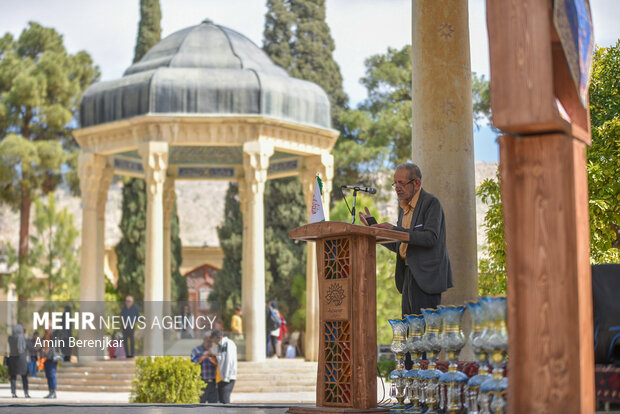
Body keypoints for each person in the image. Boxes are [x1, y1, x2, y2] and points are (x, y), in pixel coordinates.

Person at [360, 163, 453, 315]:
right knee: (409, 331)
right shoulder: (404, 209)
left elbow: (431, 237)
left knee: (424, 333)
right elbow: (399, 244)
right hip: (408, 275)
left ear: (416, 183)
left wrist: (394, 230)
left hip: (426, 277)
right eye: (395, 183)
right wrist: (375, 230)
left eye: (401, 183)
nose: (397, 187)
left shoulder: (431, 203)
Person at [211, 329, 237, 404]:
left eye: (214, 339)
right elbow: (221, 360)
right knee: (222, 402)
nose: (213, 341)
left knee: (225, 401)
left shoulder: (228, 343)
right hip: (221, 379)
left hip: (227, 378)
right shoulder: (221, 345)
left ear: (218, 337)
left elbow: (229, 360)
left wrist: (226, 377)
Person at [191, 333, 218, 403]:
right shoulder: (196, 350)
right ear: (204, 340)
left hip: (214, 383)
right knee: (201, 404)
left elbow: (221, 363)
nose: (209, 343)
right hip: (202, 382)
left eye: (211, 341)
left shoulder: (215, 350)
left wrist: (214, 355)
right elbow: (192, 363)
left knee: (214, 406)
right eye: (208, 341)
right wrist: (203, 355)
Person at [8, 324, 29, 398]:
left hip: (12, 358)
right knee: (24, 376)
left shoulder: (10, 337)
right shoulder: (21, 337)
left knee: (13, 377)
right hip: (21, 359)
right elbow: (20, 349)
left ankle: (13, 393)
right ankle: (26, 393)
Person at [42, 330, 62, 399]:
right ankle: (50, 391)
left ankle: (53, 392)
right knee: (48, 376)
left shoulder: (54, 339)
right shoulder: (45, 338)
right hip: (46, 359)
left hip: (52, 359)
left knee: (52, 375)